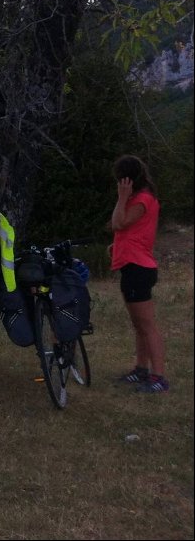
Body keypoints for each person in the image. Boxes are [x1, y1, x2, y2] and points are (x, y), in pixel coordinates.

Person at [110, 155, 168, 393]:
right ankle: (142, 369)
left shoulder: (141, 199)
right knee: (139, 325)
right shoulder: (142, 198)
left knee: (147, 325)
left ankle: (158, 377)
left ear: (126, 179)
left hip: (138, 267)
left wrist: (122, 197)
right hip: (133, 265)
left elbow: (118, 223)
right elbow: (129, 229)